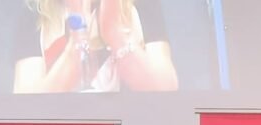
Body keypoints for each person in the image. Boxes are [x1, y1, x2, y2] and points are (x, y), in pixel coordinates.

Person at [14, 0, 178, 93]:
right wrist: (77, 43)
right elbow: (26, 106)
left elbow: (166, 89)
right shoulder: (37, 11)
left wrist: (114, 33)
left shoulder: (142, 5)